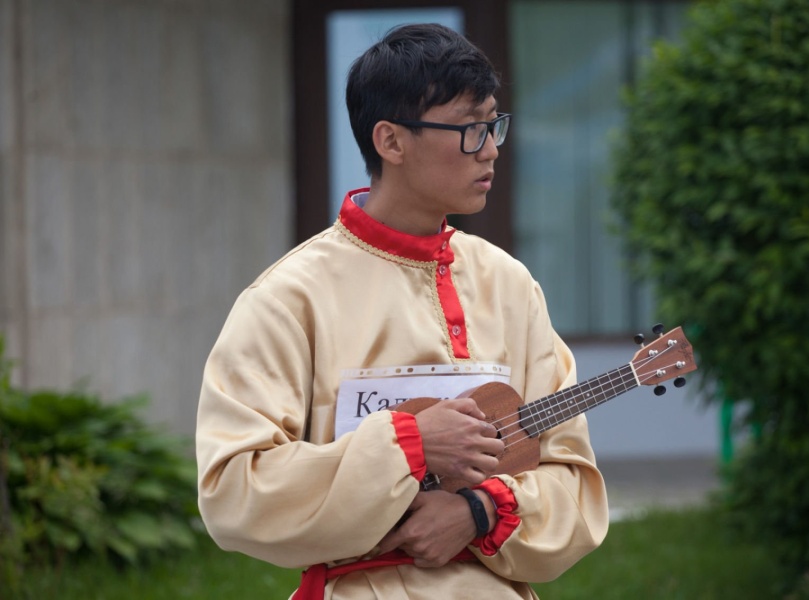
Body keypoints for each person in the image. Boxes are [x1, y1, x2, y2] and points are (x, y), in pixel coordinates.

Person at [195, 23, 608, 599]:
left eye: (493, 125)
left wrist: (479, 511)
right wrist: (407, 446)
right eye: (469, 129)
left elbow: (575, 483)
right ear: (391, 142)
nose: (490, 149)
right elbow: (233, 492)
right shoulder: (289, 298)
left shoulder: (509, 285)